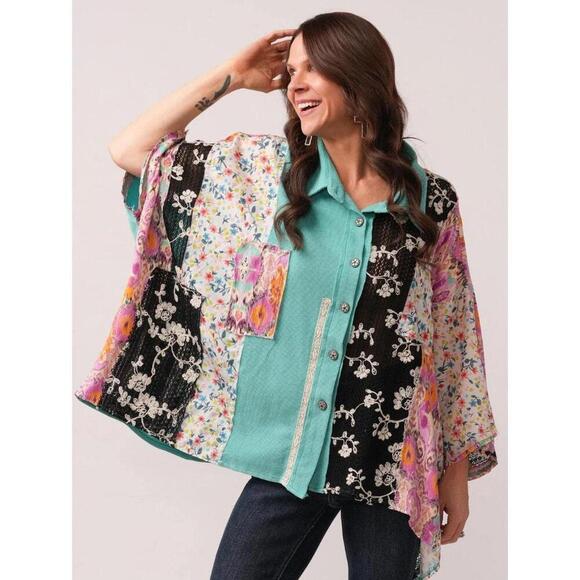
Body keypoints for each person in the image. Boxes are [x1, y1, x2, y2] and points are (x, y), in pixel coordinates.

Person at [77, 11, 499, 580]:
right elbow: (131, 148)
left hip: (392, 459)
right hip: (295, 452)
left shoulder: (431, 204)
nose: (295, 84)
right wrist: (233, 74)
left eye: (311, 69)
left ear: (358, 75)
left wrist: (455, 472)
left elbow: (451, 340)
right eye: (291, 71)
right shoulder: (262, 176)